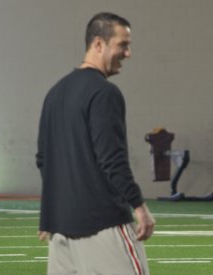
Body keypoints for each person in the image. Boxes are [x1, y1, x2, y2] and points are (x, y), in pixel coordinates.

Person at [36, 12, 155, 275]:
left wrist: (50, 215)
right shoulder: (104, 93)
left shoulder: (55, 94)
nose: (128, 53)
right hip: (104, 227)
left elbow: (44, 160)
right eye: (123, 45)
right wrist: (140, 207)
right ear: (98, 44)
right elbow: (112, 159)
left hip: (61, 233)